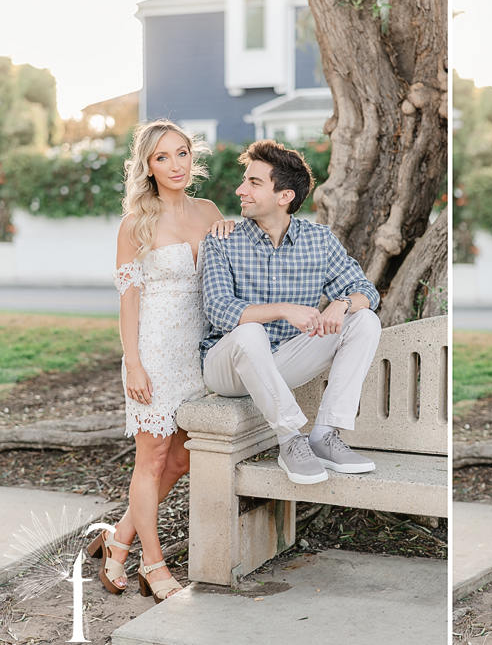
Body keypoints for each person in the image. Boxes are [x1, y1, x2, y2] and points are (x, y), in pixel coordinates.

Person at [91, 120, 234, 602]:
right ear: (148, 167)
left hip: (199, 352)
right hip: (153, 351)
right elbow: (128, 301)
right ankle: (152, 565)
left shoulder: (210, 210)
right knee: (151, 460)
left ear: (192, 158)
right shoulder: (136, 225)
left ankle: (118, 538)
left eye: (181, 154)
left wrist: (232, 230)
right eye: (162, 157)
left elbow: (229, 269)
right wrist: (133, 363)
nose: (175, 166)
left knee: (181, 458)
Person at [201, 139, 382, 486]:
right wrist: (284, 311)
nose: (241, 189)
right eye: (245, 180)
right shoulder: (222, 240)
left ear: (284, 196)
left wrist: (342, 304)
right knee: (250, 331)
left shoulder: (319, 240)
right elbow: (220, 310)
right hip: (227, 367)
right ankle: (290, 439)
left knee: (365, 320)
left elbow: (366, 292)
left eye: (254, 183)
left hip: (282, 361)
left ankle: (325, 434)